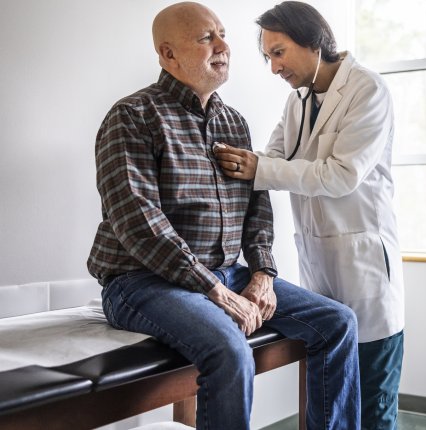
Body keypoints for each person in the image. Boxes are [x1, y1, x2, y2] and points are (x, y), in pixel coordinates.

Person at [86, 3, 360, 429]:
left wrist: (263, 274)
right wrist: (214, 289)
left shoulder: (233, 122)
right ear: (168, 54)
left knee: (337, 322)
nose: (223, 46)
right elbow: (139, 223)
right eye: (205, 38)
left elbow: (257, 207)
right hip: (140, 281)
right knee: (230, 349)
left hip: (224, 272)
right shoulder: (132, 116)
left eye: (222, 34)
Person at [213, 2, 405, 428]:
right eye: (267, 56)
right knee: (333, 394)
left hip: (365, 264)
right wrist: (228, 161)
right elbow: (275, 158)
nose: (273, 68)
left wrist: (258, 167)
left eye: (279, 52)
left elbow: (342, 175)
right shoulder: (298, 101)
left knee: (371, 402)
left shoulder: (367, 90)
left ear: (314, 40)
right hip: (319, 261)